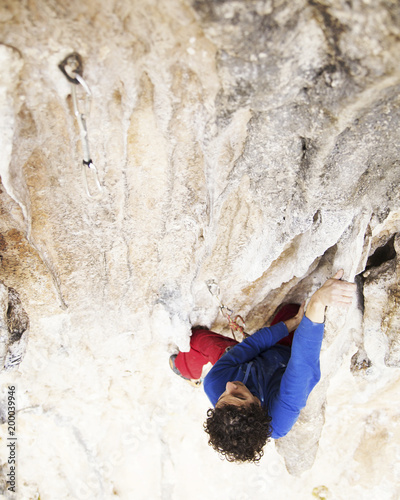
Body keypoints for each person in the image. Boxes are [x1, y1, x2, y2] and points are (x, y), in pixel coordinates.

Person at [169, 270, 356, 463]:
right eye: (239, 395)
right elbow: (303, 363)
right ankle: (188, 370)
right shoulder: (280, 416)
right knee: (300, 312)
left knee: (198, 341)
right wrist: (318, 301)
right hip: (286, 354)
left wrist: (292, 323)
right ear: (259, 405)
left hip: (246, 361)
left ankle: (185, 368)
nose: (229, 387)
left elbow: (251, 347)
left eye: (222, 398)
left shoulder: (216, 383)